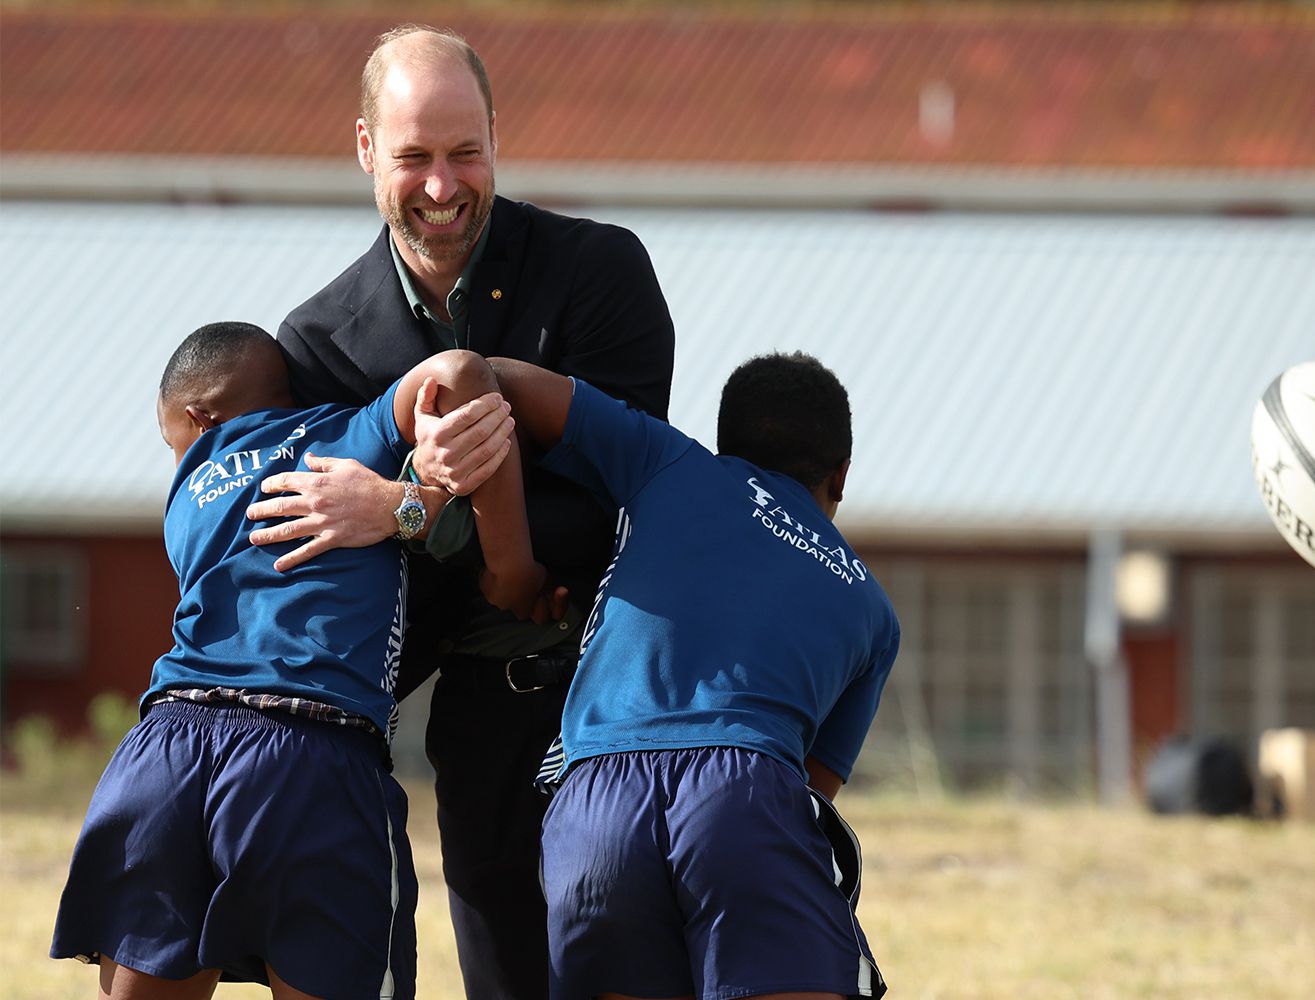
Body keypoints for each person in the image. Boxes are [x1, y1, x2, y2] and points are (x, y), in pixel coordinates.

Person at [246, 24, 675, 998]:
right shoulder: (312, 344)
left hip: (622, 689)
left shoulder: (602, 271)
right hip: (475, 704)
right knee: (503, 951)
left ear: (497, 134)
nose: (443, 187)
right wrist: (420, 511)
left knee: (635, 944)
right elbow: (329, 565)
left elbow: (616, 494)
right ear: (366, 150)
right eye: (414, 157)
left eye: (464, 152)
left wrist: (416, 500)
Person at [50, 324, 539, 1000]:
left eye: (173, 441)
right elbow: (459, 368)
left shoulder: (189, 489)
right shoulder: (350, 439)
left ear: (199, 418)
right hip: (310, 749)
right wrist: (490, 551)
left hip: (164, 750)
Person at [485, 351, 900, 1000]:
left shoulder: (671, 461)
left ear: (724, 439)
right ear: (841, 474)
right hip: (744, 791)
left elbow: (490, 375)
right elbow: (812, 789)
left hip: (594, 806)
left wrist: (509, 559)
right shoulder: (873, 608)